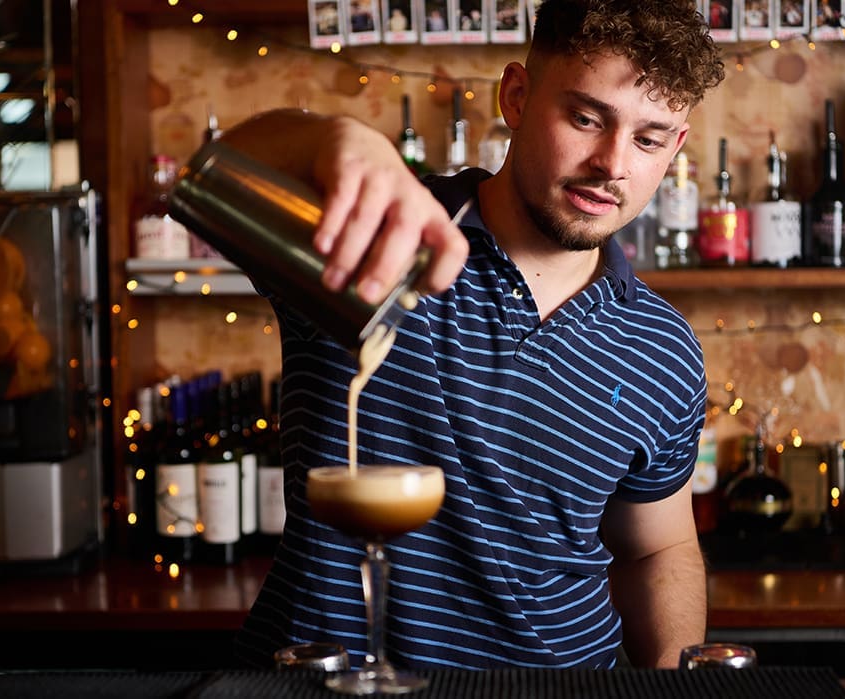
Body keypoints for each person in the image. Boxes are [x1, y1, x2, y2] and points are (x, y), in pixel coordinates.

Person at [224, 0, 724, 670]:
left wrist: (672, 681)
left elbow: (656, 547)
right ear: (516, 96)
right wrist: (332, 141)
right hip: (334, 686)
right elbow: (222, 172)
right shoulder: (380, 237)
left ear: (677, 146)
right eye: (585, 118)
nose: (613, 164)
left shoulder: (661, 345)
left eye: (648, 138)